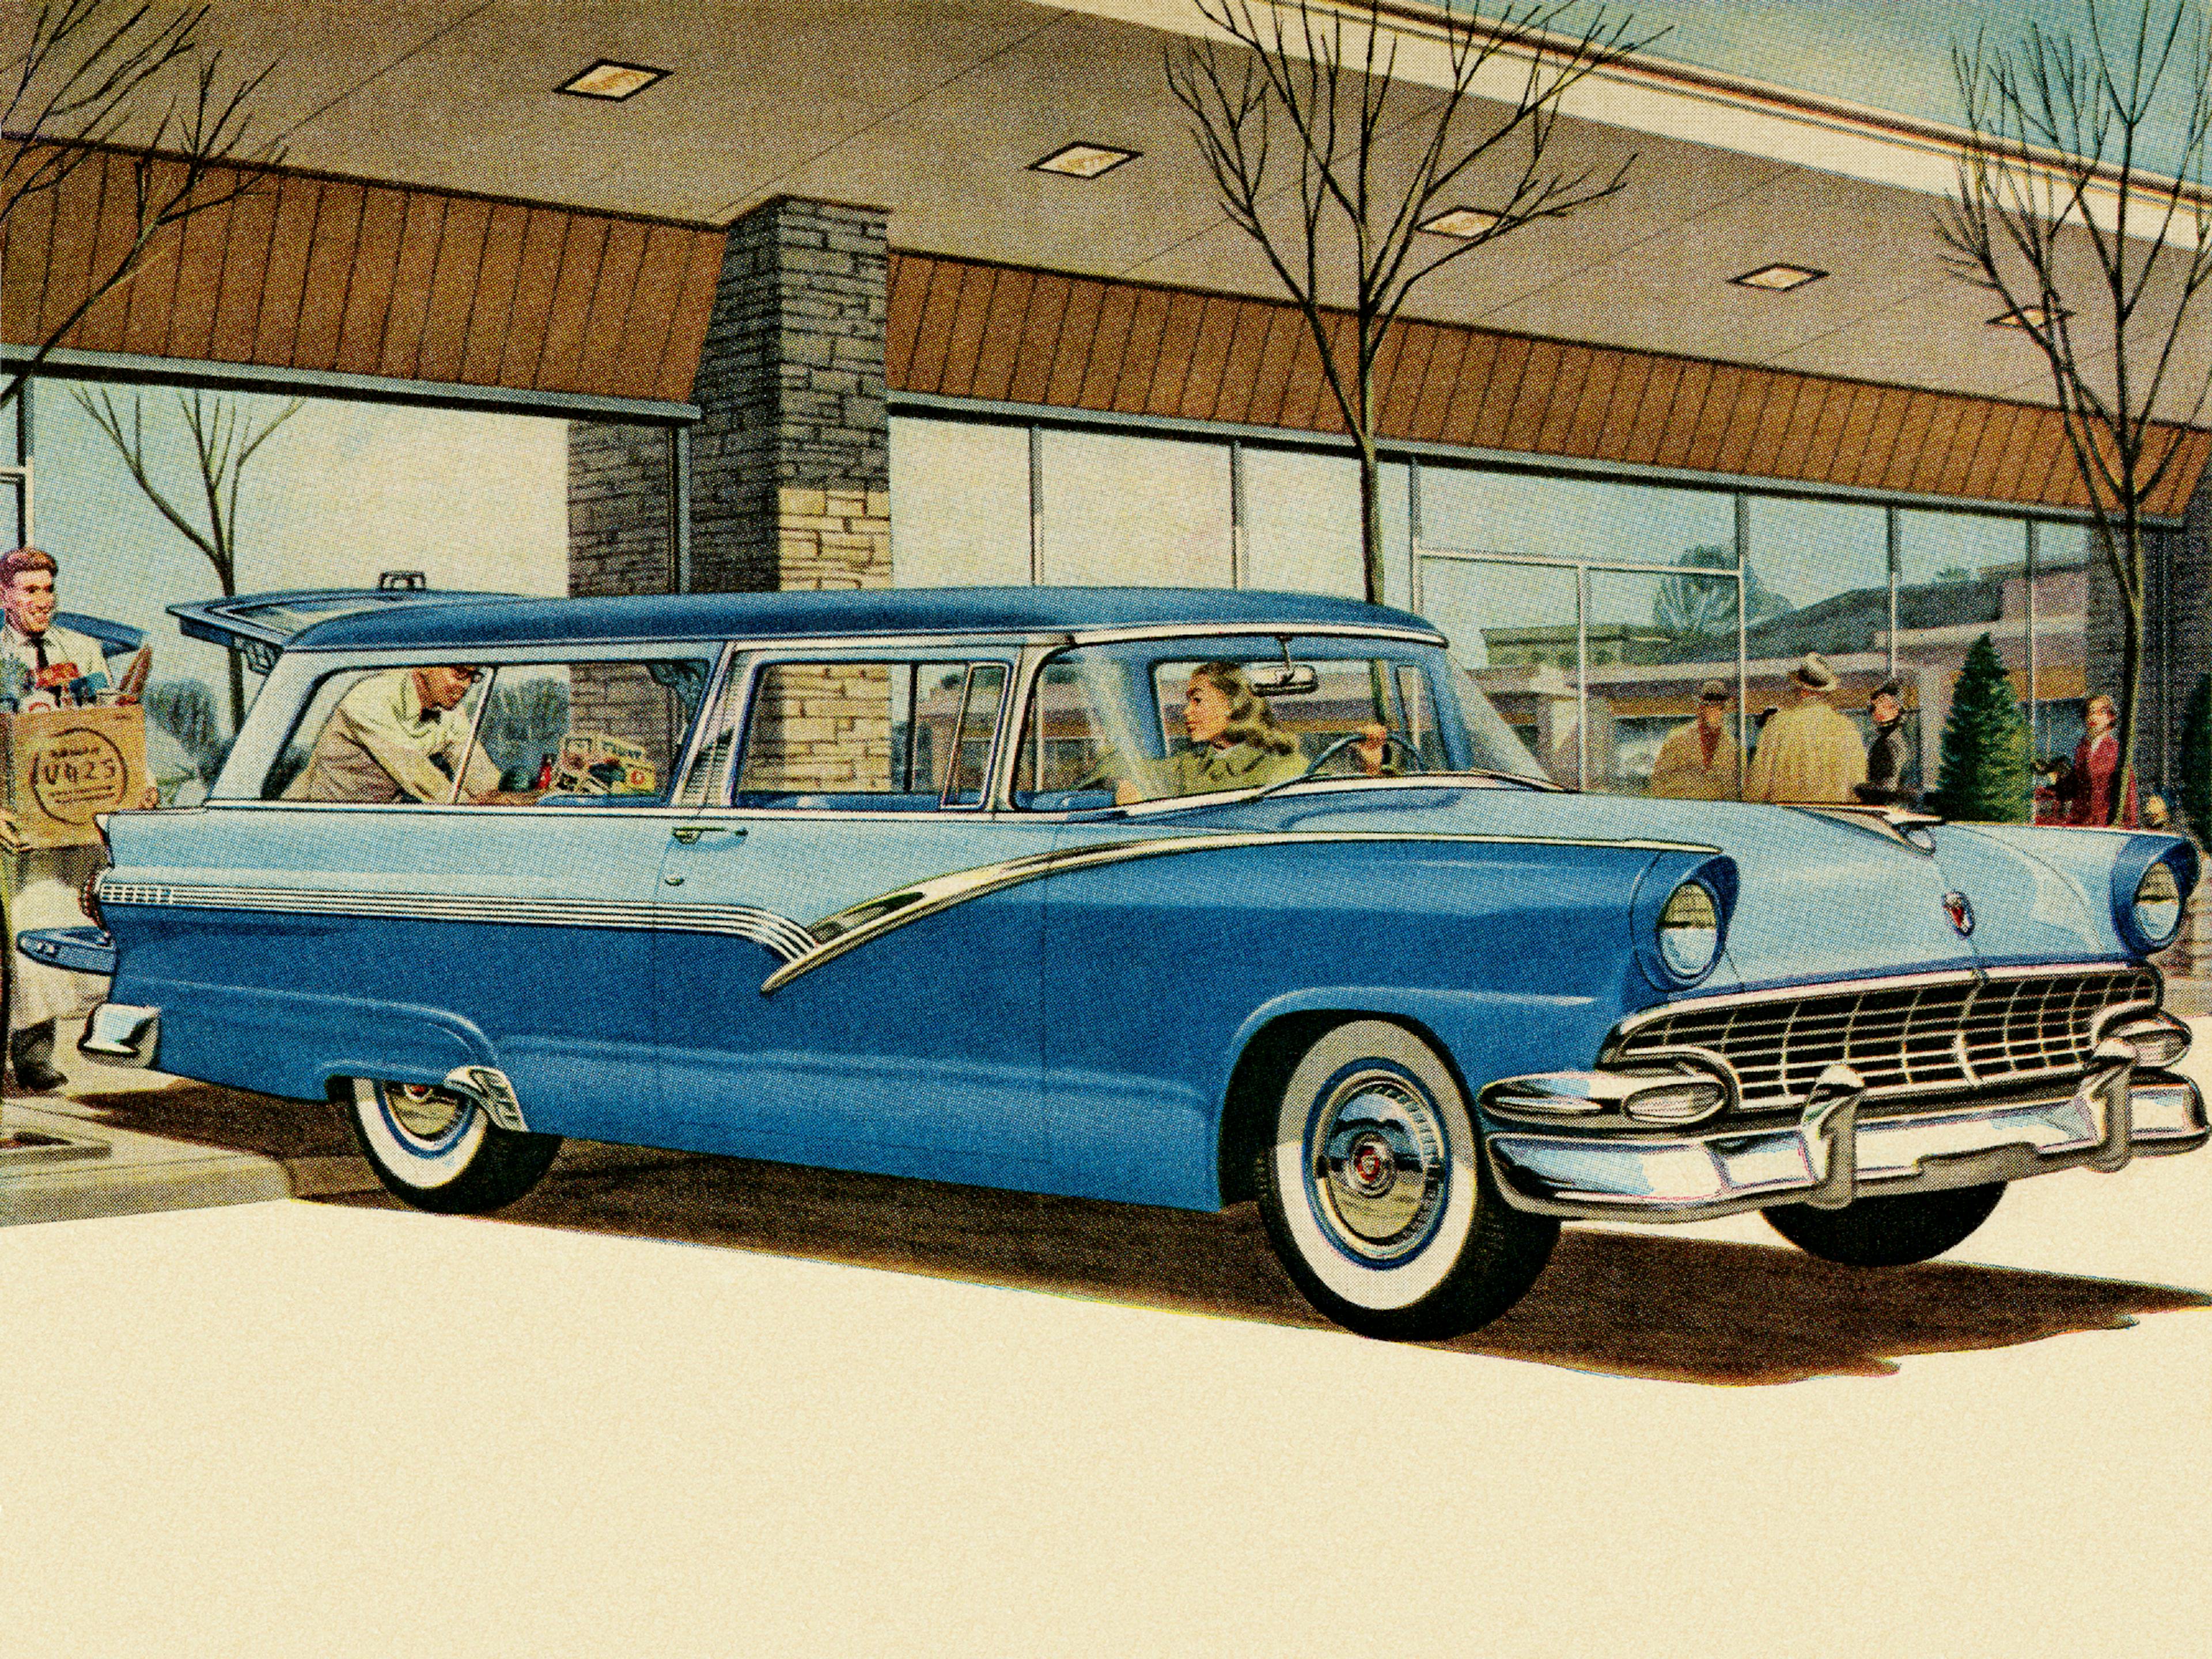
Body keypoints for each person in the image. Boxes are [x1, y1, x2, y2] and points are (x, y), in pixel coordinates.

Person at [1, 547, 135, 1090]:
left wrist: (136, 782)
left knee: (66, 921)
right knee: (23, 927)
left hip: (74, 808)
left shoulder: (81, 650)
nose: (42, 601)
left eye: (48, 589)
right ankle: (27, 1051)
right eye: (30, 590)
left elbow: (113, 723)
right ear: (5, 595)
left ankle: (45, 1052)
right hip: (15, 813)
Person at [283, 664, 517, 804]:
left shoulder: (451, 713)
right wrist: (484, 806)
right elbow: (422, 780)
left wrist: (519, 798)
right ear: (425, 665)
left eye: (472, 677)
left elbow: (480, 776)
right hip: (306, 825)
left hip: (372, 826)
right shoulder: (373, 697)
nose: (465, 687)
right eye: (458, 673)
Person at [1116, 662, 1310, 802]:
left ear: (1232, 705)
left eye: (1198, 700)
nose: (1187, 711)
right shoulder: (1190, 766)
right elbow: (1119, 766)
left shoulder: (1286, 768)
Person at [1744, 653, 1868, 804]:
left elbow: (1758, 783)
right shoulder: (1846, 727)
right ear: (1826, 692)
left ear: (1800, 689)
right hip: (1832, 814)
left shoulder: (1778, 725)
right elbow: (1857, 783)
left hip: (1786, 815)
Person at [1647, 680, 1738, 801]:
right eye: (1709, 706)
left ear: (1724, 710)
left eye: (1719, 707)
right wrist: (1692, 784)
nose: (1715, 712)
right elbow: (1657, 783)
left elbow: (1735, 791)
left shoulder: (1732, 746)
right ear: (1700, 708)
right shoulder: (1677, 739)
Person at [2063, 694, 2137, 827]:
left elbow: (2128, 791)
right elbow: (2075, 787)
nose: (2094, 717)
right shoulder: (2082, 749)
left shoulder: (2116, 750)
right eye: (2091, 712)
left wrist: (2129, 824)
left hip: (2105, 825)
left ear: (2111, 718)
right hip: (2079, 824)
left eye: (2101, 712)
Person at [1855, 680, 1914, 806]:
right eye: (1875, 706)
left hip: (1887, 806)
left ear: (1897, 709)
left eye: (1885, 705)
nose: (1877, 710)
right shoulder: (1891, 737)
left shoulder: (1890, 740)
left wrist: (1858, 788)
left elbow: (1889, 786)